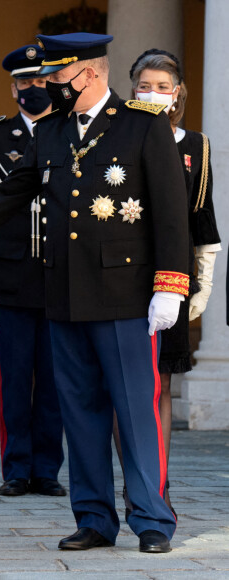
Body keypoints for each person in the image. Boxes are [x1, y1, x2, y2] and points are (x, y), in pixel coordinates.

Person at [0, 32, 190, 554]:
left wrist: (170, 287)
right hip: (63, 293)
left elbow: (171, 215)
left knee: (134, 410)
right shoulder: (52, 132)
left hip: (125, 295)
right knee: (80, 411)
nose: (49, 89)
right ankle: (95, 518)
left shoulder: (143, 127)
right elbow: (10, 194)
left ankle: (152, 518)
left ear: (91, 74)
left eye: (57, 79)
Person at [113, 48, 222, 518]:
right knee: (123, 387)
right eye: (145, 85)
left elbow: (202, 218)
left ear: (178, 93)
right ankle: (132, 485)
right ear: (131, 86)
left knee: (159, 387)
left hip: (170, 280)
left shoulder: (194, 145)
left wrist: (199, 284)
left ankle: (158, 487)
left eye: (163, 86)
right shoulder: (114, 135)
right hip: (120, 279)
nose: (153, 94)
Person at [0, 44, 65, 498]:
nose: (35, 89)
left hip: (63, 274)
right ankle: (16, 468)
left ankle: (47, 468)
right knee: (15, 376)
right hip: (10, 274)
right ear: (13, 88)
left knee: (55, 378)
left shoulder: (70, 132)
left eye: (42, 81)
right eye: (26, 83)